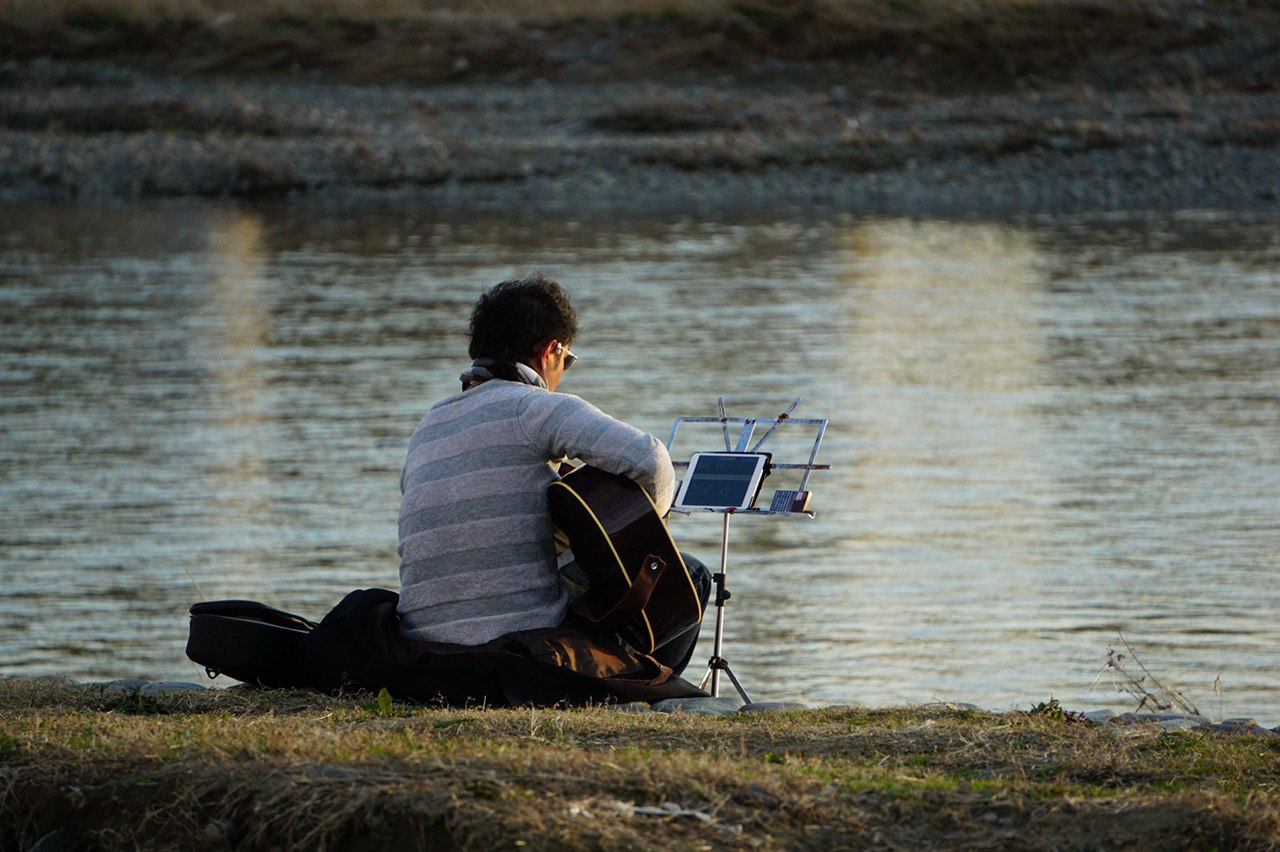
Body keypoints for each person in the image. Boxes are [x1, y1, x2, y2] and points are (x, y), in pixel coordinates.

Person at [397, 275, 710, 675]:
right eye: (567, 360)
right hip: (521, 642)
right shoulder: (534, 407)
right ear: (550, 350)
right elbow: (651, 460)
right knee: (687, 573)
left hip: (423, 644)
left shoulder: (429, 425)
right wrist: (642, 529)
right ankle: (643, 695)